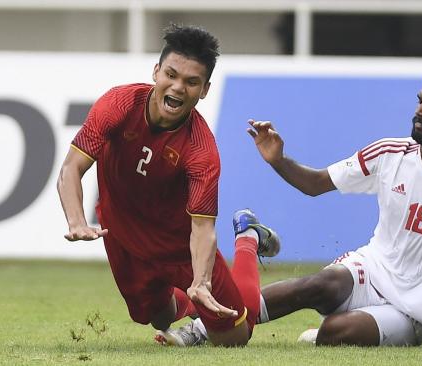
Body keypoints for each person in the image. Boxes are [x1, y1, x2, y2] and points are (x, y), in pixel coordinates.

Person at [168, 66, 422, 347]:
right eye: (420, 101)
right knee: (316, 285)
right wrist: (278, 160)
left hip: (412, 309)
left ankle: (329, 332)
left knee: (336, 333)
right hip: (370, 270)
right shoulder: (389, 153)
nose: (420, 110)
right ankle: (198, 330)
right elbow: (316, 184)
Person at [57, 24, 279, 347]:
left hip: (181, 248)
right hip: (122, 235)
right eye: (171, 75)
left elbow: (203, 229)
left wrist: (201, 280)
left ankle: (247, 237)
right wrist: (76, 220)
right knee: (157, 318)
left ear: (204, 90)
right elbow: (71, 169)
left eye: (191, 82)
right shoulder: (118, 105)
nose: (177, 88)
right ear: (156, 71)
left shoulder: (202, 152)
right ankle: (193, 310)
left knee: (234, 337)